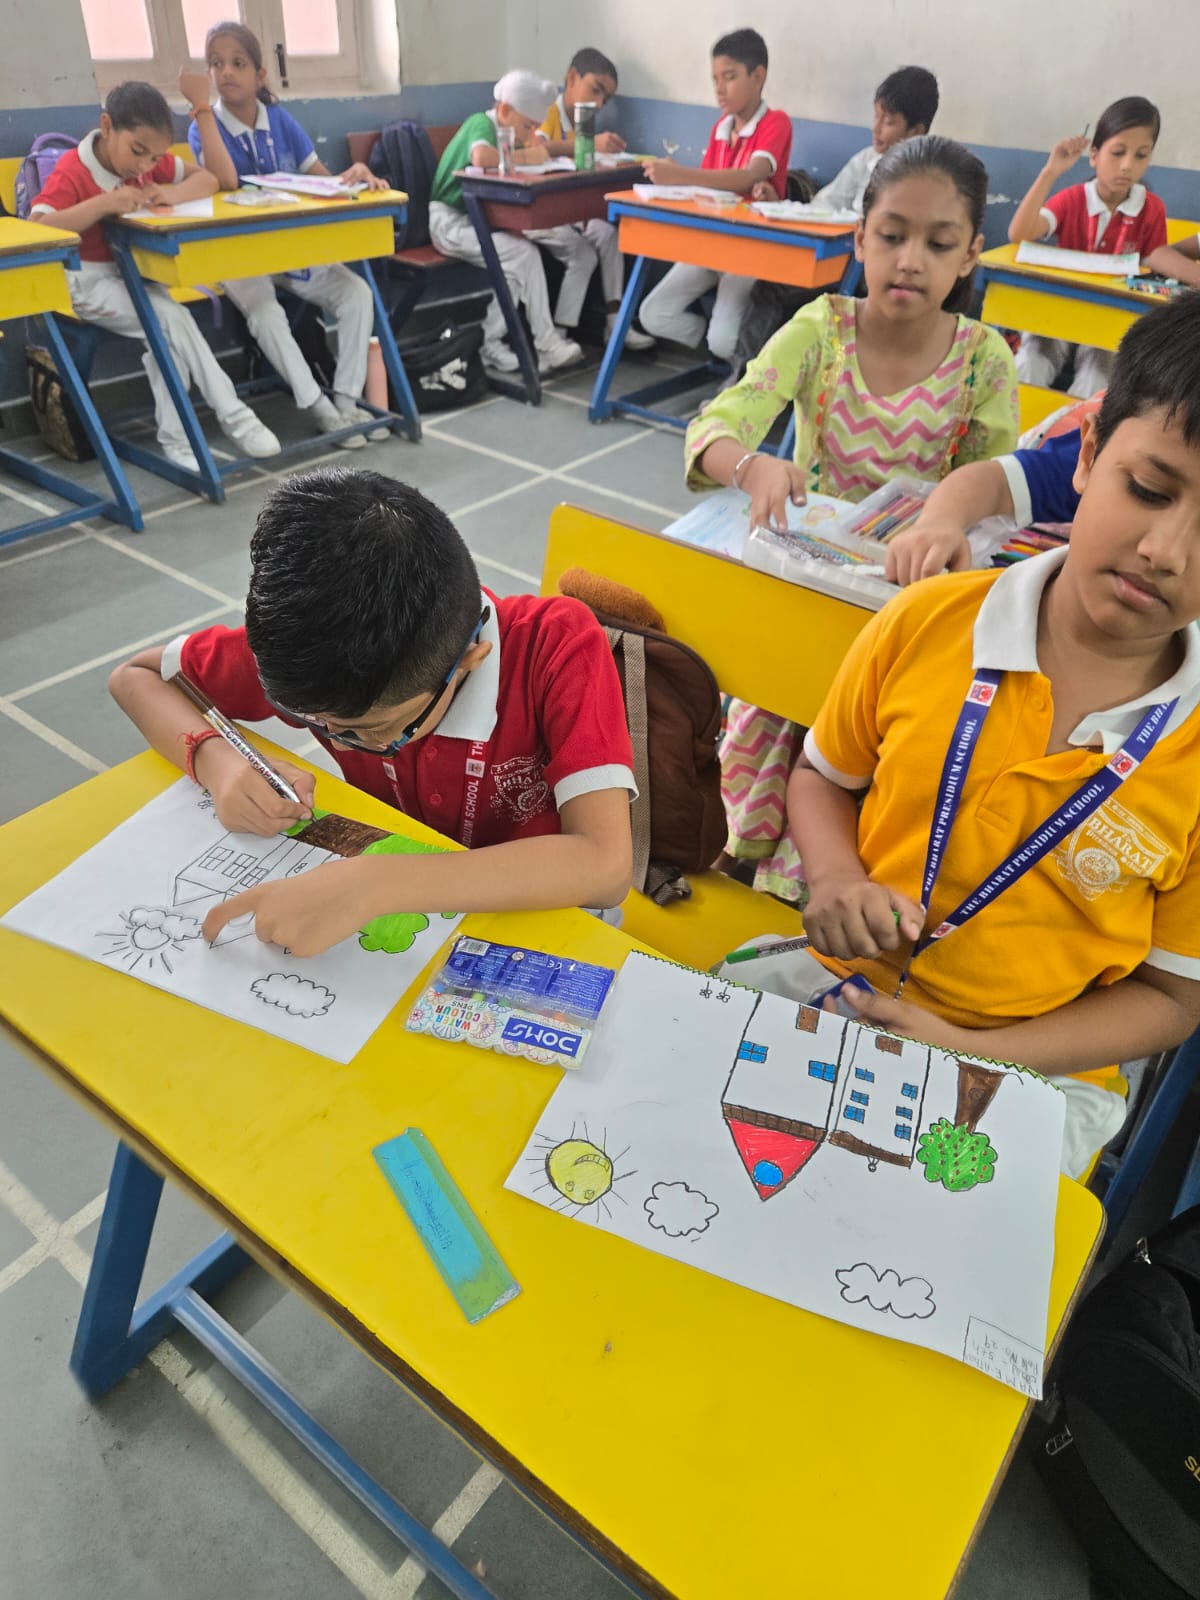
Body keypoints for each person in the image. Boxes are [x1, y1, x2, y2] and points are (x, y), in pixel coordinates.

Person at [735, 289, 1200, 1179]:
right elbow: (824, 776)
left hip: (1042, 1065)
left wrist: (975, 1052)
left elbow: (1173, 998)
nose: (1166, 551)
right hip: (850, 984)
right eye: (1148, 490)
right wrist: (834, 876)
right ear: (1089, 452)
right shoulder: (929, 621)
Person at [108, 467, 636, 954]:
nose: (334, 738)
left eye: (371, 731)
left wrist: (376, 884)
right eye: (317, 723)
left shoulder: (557, 647)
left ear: (470, 659)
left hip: (547, 915)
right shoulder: (319, 650)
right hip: (396, 910)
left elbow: (604, 866)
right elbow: (136, 677)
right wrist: (219, 764)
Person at [686, 135, 1018, 903]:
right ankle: (736, 864)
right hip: (803, 594)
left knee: (873, 774)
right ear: (860, 236)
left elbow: (999, 494)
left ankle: (823, 889)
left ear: (971, 254)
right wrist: (752, 465)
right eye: (892, 235)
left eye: (939, 244)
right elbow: (716, 426)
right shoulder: (821, 330)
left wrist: (953, 532)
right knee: (757, 748)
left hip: (904, 617)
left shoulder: (985, 360)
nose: (910, 261)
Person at [31, 82, 280, 473]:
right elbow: (39, 227)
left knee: (169, 339)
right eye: (138, 152)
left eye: (155, 158)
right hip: (84, 283)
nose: (144, 167)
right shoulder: (74, 168)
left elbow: (209, 180)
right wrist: (104, 204)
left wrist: (171, 194)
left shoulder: (145, 162)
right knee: (170, 318)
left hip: (136, 278)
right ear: (107, 126)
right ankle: (236, 417)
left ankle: (177, 442)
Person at [184, 22, 388, 449]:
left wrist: (354, 177)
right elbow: (224, 181)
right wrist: (201, 109)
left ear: (260, 74)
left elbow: (322, 181)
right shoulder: (205, 125)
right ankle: (320, 407)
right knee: (265, 314)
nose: (225, 72)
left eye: (238, 63)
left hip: (291, 250)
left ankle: (347, 399)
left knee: (357, 293)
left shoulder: (280, 120)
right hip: (235, 254)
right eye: (216, 64)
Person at [731, 65, 939, 381]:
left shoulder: (924, 177)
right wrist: (781, 206)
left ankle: (747, 384)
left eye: (888, 122)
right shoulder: (867, 159)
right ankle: (752, 382)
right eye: (876, 117)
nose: (876, 129)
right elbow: (825, 205)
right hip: (842, 259)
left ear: (916, 131)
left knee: (773, 292)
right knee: (774, 283)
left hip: (874, 276)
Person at [636, 29, 792, 362]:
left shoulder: (775, 123)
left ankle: (736, 352)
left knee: (722, 341)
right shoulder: (720, 128)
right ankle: (723, 345)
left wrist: (679, 174)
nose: (719, 88)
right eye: (715, 79)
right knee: (653, 314)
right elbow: (705, 188)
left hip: (751, 250)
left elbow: (749, 176)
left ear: (758, 76)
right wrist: (675, 183)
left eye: (730, 77)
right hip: (711, 245)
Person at [1008, 97, 1166, 397]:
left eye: (1141, 155)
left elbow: (1156, 268)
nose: (1128, 165)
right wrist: (1051, 171)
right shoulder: (1073, 198)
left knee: (1096, 381)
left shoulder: (1151, 209)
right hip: (1056, 312)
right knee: (1029, 364)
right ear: (1094, 156)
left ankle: (1077, 430)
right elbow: (1019, 233)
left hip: (1109, 321)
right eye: (1117, 152)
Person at [429, 72, 584, 374]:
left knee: (515, 262)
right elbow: (481, 157)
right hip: (449, 223)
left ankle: (490, 340)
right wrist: (528, 156)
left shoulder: (508, 134)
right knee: (523, 254)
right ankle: (546, 342)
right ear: (504, 111)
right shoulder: (481, 123)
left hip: (478, 222)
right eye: (527, 126)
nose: (529, 134)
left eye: (535, 128)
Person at [527, 47, 654, 351]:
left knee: (608, 234)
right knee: (583, 253)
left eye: (605, 99)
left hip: (568, 213)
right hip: (538, 212)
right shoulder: (549, 111)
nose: (598, 104)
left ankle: (615, 323)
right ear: (572, 78)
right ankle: (559, 335)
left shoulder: (582, 123)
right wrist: (590, 143)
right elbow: (537, 149)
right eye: (595, 90)